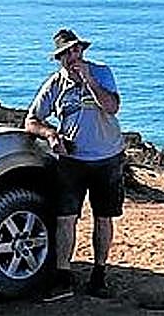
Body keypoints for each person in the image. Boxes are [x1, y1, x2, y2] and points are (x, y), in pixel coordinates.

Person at [24, 28, 125, 300]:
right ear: (59, 58)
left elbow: (112, 107)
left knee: (103, 218)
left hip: (108, 158)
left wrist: (89, 80)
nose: (73, 56)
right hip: (72, 161)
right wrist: (50, 134)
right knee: (65, 218)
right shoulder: (54, 85)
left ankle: (99, 274)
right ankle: (63, 276)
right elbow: (31, 121)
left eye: (76, 50)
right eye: (66, 53)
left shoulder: (101, 73)